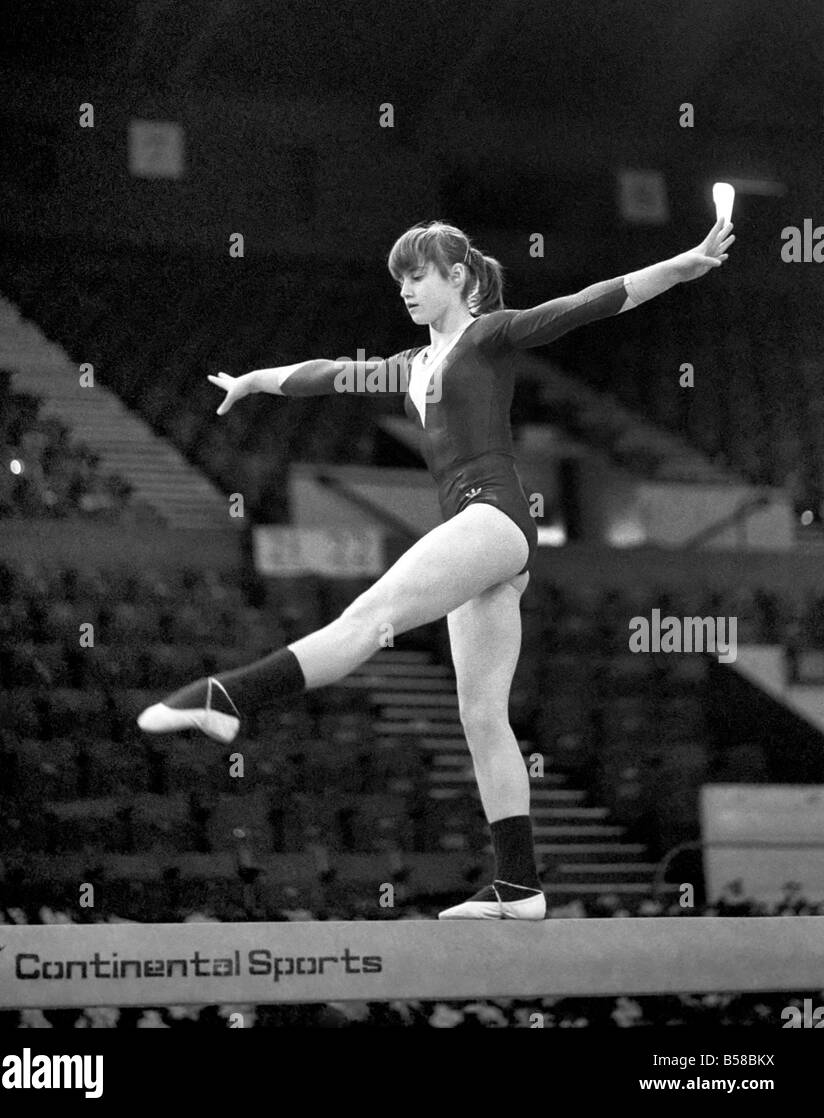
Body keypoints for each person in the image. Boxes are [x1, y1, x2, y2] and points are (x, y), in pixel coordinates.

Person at [138, 216, 734, 919]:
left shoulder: (489, 334)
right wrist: (255, 381)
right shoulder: (411, 365)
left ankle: (229, 696)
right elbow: (329, 374)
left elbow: (591, 302)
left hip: (495, 517)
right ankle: (519, 885)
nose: (406, 290)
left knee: (368, 618)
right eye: (399, 281)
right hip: (482, 538)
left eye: (418, 275)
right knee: (480, 714)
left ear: (459, 278)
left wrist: (683, 264)